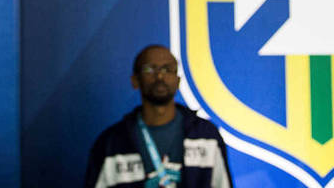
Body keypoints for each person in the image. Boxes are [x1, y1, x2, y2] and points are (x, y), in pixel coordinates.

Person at [85, 45, 233, 188]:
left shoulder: (206, 136)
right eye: (150, 69)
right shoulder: (111, 144)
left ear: (178, 81)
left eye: (168, 69)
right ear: (135, 80)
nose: (160, 76)